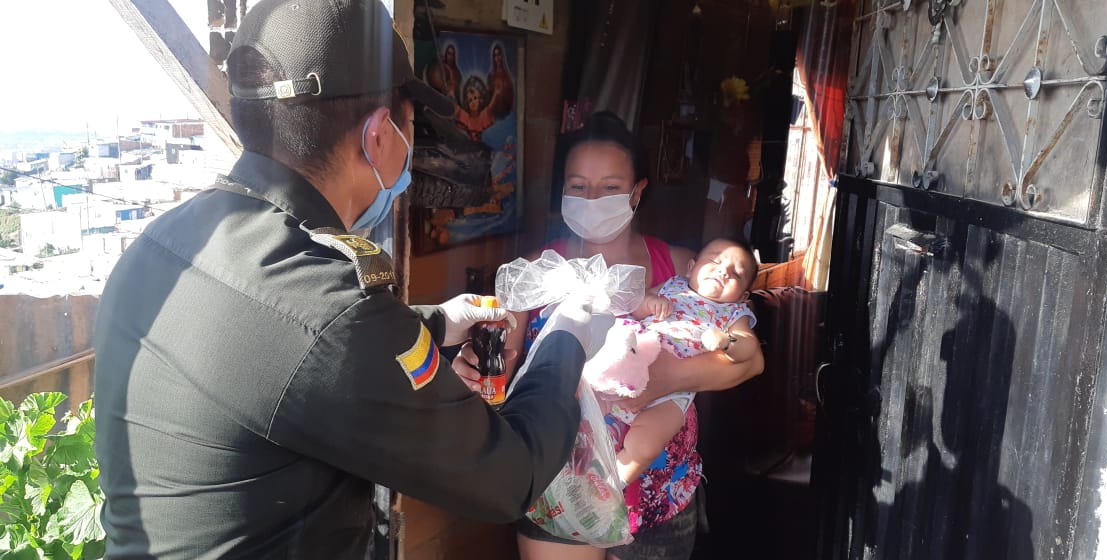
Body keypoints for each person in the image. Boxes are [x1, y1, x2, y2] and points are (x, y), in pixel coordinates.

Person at [92, 1, 609, 558]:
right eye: (414, 123)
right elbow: (512, 475)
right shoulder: (327, 310)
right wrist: (568, 334)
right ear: (380, 136)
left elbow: (270, 345)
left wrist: (437, 323)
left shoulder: (160, 244)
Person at [454, 112, 765, 560]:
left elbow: (750, 361)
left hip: (659, 492)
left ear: (637, 192)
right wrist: (476, 363)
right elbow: (500, 360)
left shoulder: (680, 268)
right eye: (578, 186)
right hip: (559, 486)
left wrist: (662, 382)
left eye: (610, 187)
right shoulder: (537, 273)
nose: (592, 198)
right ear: (562, 191)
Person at [613, 237, 760, 489]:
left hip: (673, 394)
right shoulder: (673, 286)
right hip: (635, 360)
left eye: (735, 273)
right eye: (715, 260)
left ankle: (612, 482)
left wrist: (726, 341)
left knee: (648, 442)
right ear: (691, 267)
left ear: (743, 295)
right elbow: (635, 307)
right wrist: (649, 303)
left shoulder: (733, 313)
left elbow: (750, 349)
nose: (723, 270)